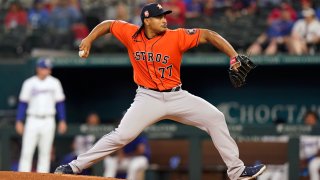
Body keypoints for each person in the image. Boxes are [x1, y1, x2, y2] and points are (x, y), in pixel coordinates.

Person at [54, 3, 266, 180]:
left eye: (164, 16)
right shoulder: (130, 34)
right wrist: (89, 38)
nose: (164, 20)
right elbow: (108, 24)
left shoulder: (176, 36)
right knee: (122, 135)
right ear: (147, 21)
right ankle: (74, 166)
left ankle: (237, 171)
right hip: (147, 97)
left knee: (216, 118)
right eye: (159, 17)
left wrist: (233, 56)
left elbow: (208, 35)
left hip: (177, 96)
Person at [16, 58, 67, 173]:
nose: (48, 71)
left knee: (45, 152)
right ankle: (22, 176)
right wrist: (19, 120)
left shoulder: (54, 82)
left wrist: (62, 120)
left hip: (48, 119)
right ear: (38, 69)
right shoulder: (29, 83)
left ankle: (42, 176)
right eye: (45, 68)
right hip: (32, 119)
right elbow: (23, 103)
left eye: (48, 68)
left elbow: (60, 103)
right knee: (27, 151)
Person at [300, 110, 320, 180]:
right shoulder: (301, 134)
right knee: (289, 167)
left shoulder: (318, 133)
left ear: (315, 121)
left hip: (317, 159)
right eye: (307, 118)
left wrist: (308, 160)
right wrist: (300, 161)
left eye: (311, 118)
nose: (309, 120)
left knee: (313, 166)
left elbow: (319, 152)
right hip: (302, 160)